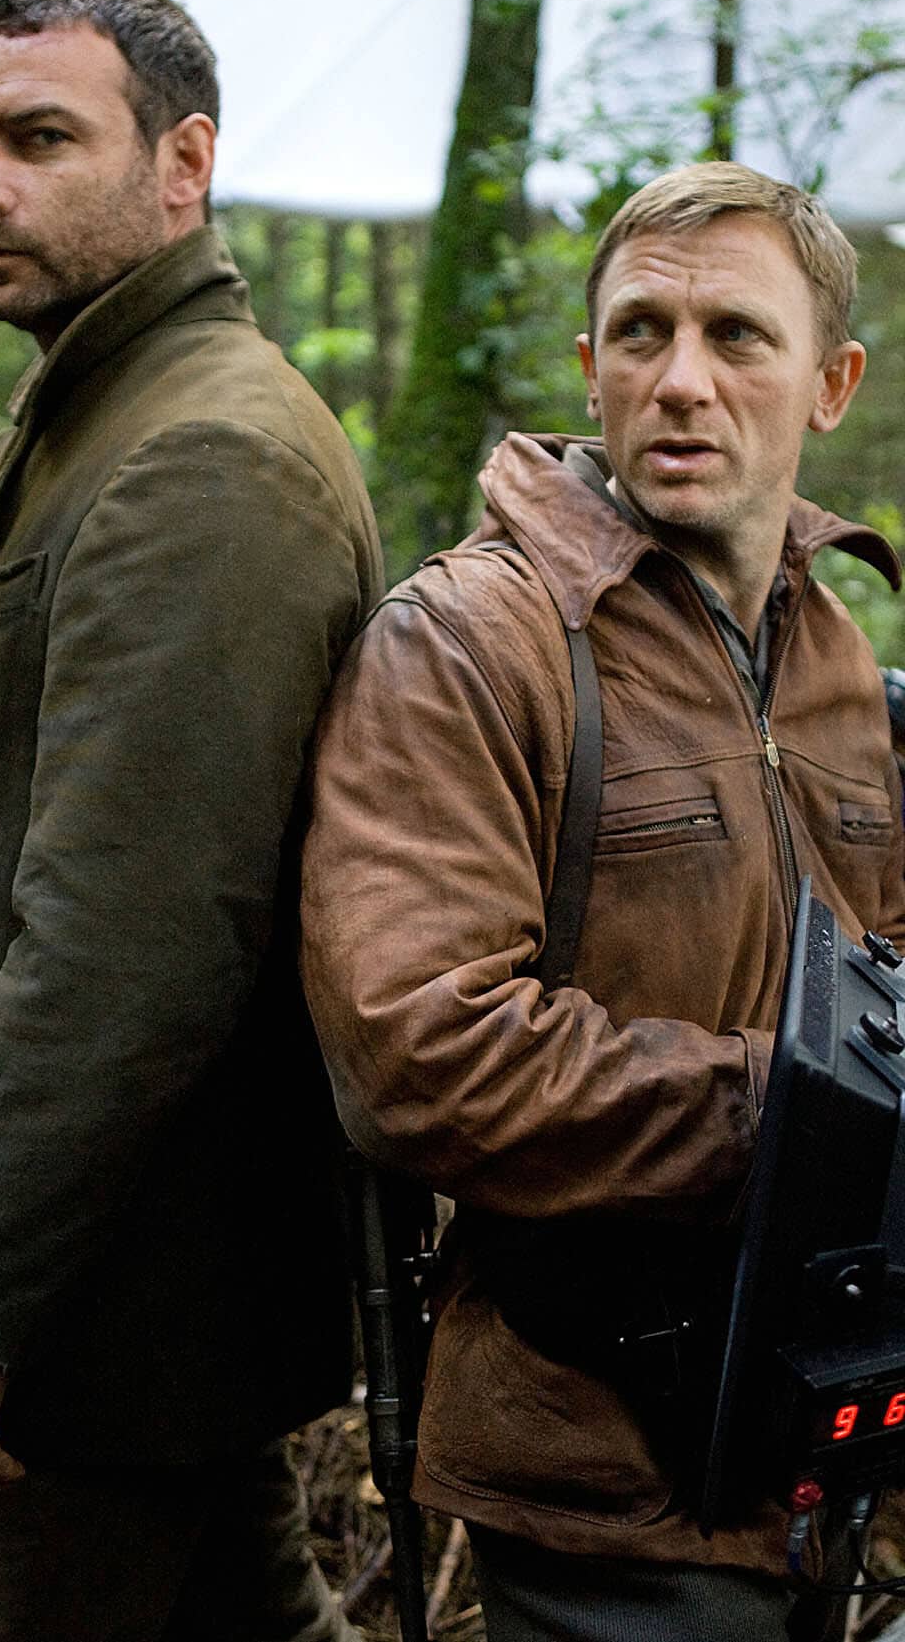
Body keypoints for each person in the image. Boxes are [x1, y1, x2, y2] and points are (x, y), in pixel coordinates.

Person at [0, 0, 382, 1642]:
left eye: (40, 139)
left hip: (91, 1325)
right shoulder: (102, 409)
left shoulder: (204, 459)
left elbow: (125, 946)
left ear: (183, 164)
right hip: (137, 1299)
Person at [300, 162, 905, 1642]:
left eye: (736, 336)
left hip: (829, 1429)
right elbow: (420, 1052)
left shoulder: (836, 650)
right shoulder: (472, 642)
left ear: (831, 384)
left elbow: (877, 967)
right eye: (642, 333)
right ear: (591, 367)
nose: (681, 380)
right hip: (603, 1461)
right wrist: (795, 1112)